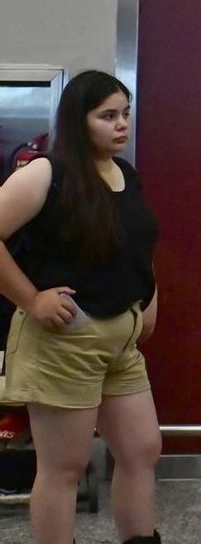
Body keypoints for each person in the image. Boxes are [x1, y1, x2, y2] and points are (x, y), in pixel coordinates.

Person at [0, 71, 162, 544]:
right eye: (107, 116)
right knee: (64, 467)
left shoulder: (123, 174)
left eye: (125, 114)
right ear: (78, 119)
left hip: (121, 337)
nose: (121, 125)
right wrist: (31, 298)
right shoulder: (47, 173)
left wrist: (150, 299)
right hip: (65, 336)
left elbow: (139, 246)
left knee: (141, 449)